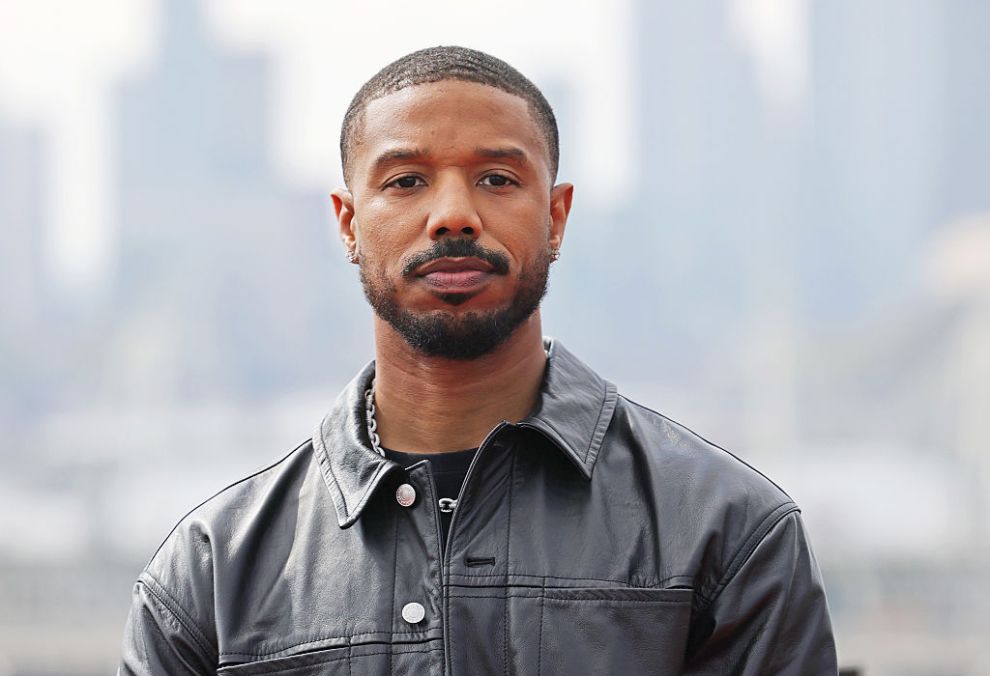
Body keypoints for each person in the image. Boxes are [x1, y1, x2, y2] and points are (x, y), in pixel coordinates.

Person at [118, 46, 837, 675]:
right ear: (347, 223)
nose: (454, 214)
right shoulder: (209, 574)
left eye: (497, 178)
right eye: (405, 181)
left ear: (555, 216)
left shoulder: (727, 532)